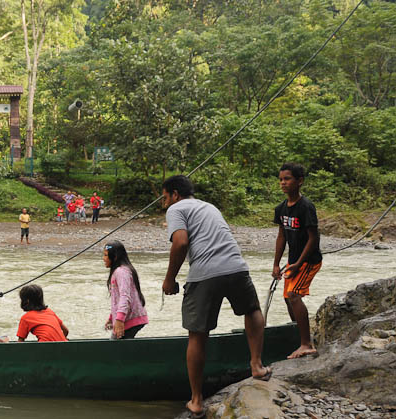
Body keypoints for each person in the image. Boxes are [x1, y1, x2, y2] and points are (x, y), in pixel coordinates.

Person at [161, 175, 270, 419]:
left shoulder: (177, 208)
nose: (164, 203)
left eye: (165, 197)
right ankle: (257, 366)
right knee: (252, 310)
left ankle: (197, 401)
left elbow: (180, 243)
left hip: (204, 274)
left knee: (197, 332)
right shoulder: (209, 206)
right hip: (236, 265)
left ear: (175, 194)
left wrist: (170, 279)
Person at [272, 162, 322, 359]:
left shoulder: (306, 207)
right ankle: (299, 335)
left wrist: (299, 263)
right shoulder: (281, 208)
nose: (283, 183)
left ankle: (306, 344)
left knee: (293, 295)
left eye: (287, 179)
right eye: (281, 179)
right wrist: (276, 264)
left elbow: (313, 238)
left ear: (299, 181)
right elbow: (281, 236)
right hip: (293, 261)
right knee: (287, 298)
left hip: (309, 261)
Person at [103, 242, 148, 339]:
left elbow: (125, 297)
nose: (104, 259)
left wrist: (119, 320)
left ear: (114, 257)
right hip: (125, 318)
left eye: (106, 255)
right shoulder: (120, 271)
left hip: (129, 319)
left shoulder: (121, 272)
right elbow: (117, 300)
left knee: (115, 346)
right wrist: (112, 318)